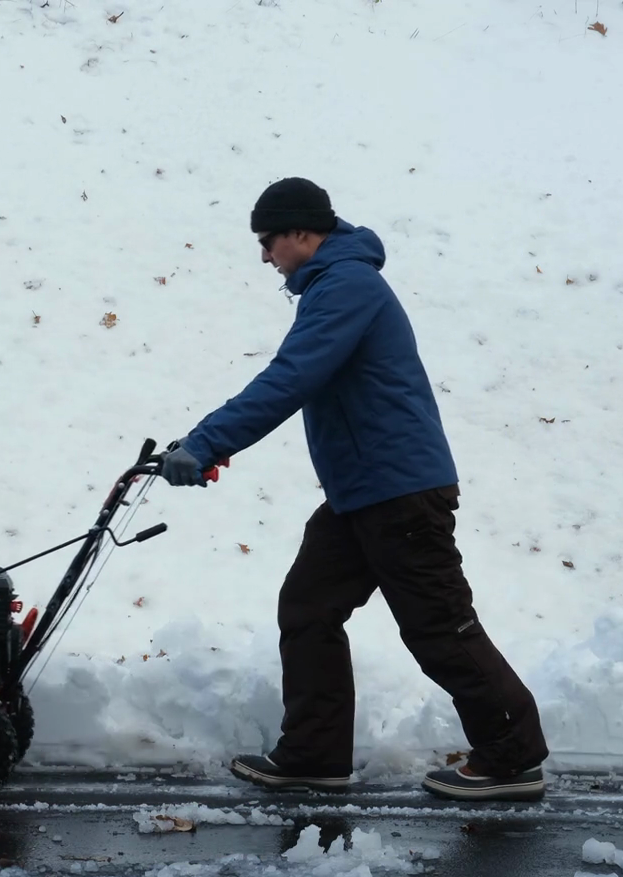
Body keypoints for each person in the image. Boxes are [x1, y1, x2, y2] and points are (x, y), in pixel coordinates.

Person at [160, 177, 550, 802]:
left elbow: (291, 377)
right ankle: (313, 755)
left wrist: (207, 441)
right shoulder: (335, 283)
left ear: (300, 233)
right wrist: (206, 443)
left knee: (438, 625)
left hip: (397, 491)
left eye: (267, 241)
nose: (264, 256)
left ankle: (512, 757)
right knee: (308, 609)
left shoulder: (346, 286)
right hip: (363, 492)